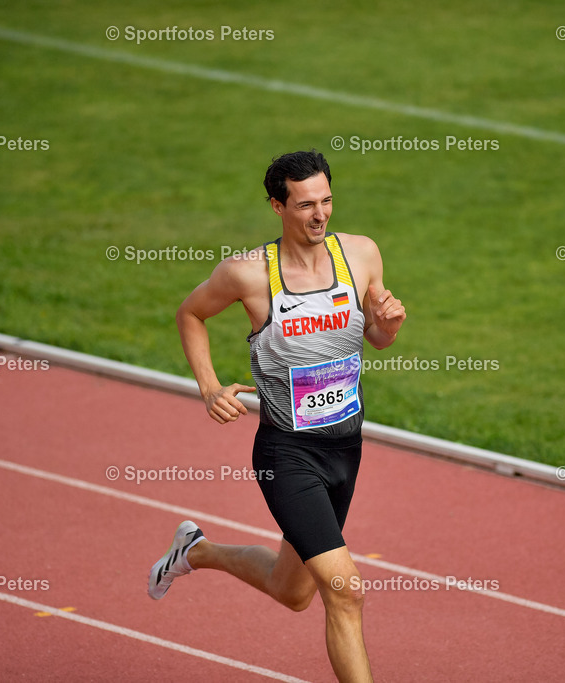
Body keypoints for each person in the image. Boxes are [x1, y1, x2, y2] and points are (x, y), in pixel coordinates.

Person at [148, 149, 406, 682]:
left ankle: (197, 551)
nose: (320, 214)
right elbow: (191, 313)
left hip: (345, 446)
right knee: (345, 590)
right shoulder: (247, 274)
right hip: (286, 453)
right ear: (277, 206)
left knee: (293, 591)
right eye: (306, 204)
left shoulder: (360, 255)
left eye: (327, 200)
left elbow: (377, 338)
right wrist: (209, 386)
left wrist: (391, 324)